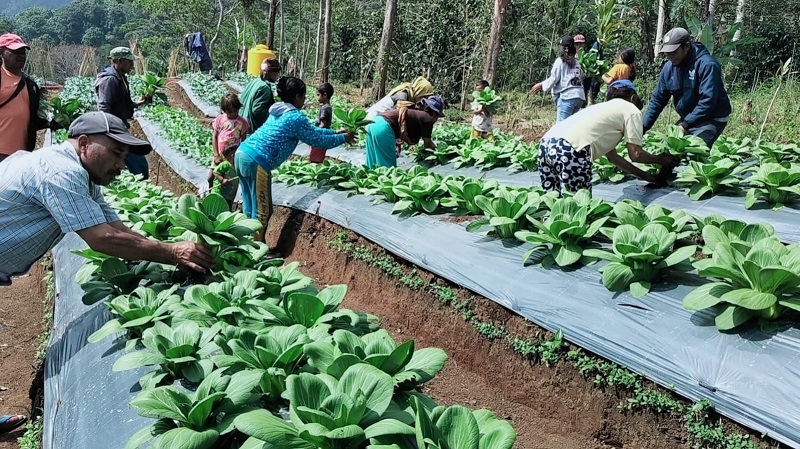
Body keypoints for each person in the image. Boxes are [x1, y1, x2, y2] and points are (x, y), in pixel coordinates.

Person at [0, 111, 214, 283]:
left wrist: (167, 252)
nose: (121, 166)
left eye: (124, 157)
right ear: (84, 144)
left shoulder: (84, 176)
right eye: (115, 153)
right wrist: (172, 252)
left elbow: (115, 229)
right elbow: (102, 238)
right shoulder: (62, 171)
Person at [236, 77, 354, 242]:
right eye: (304, 95)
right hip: (257, 161)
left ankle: (244, 243)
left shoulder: (279, 110)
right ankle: (255, 248)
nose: (305, 99)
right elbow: (317, 140)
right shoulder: (295, 117)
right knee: (263, 210)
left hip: (242, 154)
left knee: (249, 205)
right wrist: (344, 139)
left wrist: (335, 132)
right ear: (297, 96)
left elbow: (312, 131)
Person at [538, 80, 679, 195]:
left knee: (552, 201)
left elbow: (614, 158)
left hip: (546, 144)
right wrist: (661, 160)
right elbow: (636, 154)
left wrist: (648, 177)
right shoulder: (631, 110)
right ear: (633, 97)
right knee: (577, 207)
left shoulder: (601, 109)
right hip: (571, 150)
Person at [643, 27, 731, 147]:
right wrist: (643, 127)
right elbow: (657, 100)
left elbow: (708, 101)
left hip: (712, 118)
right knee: (667, 151)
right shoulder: (668, 69)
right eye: (667, 52)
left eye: (673, 51)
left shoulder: (707, 65)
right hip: (688, 118)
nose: (670, 56)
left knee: (691, 152)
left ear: (687, 46)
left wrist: (685, 125)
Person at [95, 47, 150, 177]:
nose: (132, 64)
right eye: (129, 61)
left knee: (137, 162)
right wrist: (108, 133)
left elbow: (121, 102)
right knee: (137, 162)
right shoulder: (109, 79)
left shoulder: (120, 77)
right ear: (120, 61)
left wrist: (138, 103)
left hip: (120, 127)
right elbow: (104, 107)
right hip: (114, 130)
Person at [0, 33, 50, 163]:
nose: (21, 55)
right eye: (15, 51)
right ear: (2, 53)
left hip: (21, 154)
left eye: (23, 52)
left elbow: (31, 119)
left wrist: (51, 124)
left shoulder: (30, 84)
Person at [365, 95, 446, 169]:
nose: (436, 120)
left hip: (372, 123)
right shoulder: (428, 119)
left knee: (371, 163)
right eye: (438, 116)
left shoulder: (418, 114)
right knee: (387, 169)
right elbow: (427, 144)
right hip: (383, 127)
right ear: (435, 113)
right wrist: (440, 153)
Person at [531, 36, 585, 122]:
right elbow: (582, 76)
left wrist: (541, 85)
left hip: (568, 97)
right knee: (571, 125)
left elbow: (554, 78)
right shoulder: (577, 62)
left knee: (561, 126)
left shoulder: (560, 61)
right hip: (579, 96)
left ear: (564, 48)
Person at [209, 93, 249, 188]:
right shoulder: (220, 119)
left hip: (232, 157)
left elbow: (243, 142)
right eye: (230, 112)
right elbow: (214, 137)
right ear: (224, 110)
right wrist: (216, 154)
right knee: (210, 177)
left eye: (236, 111)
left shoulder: (242, 123)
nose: (233, 114)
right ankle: (209, 197)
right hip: (220, 155)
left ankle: (226, 201)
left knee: (227, 181)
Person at [239, 58, 281, 135]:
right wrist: (274, 119)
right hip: (251, 130)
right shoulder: (264, 87)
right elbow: (257, 110)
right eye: (276, 73)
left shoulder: (255, 81)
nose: (277, 76)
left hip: (242, 124)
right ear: (270, 73)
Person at [366, 76, 434, 119]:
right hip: (371, 120)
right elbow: (399, 118)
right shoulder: (402, 96)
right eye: (424, 96)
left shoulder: (409, 96)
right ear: (419, 91)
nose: (424, 100)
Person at [309, 82, 334, 163]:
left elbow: (323, 124)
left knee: (315, 159)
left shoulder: (324, 108)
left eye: (318, 95)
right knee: (320, 157)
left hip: (320, 136)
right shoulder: (329, 107)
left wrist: (314, 132)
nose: (317, 97)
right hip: (325, 136)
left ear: (325, 95)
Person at [211, 143, 239, 210]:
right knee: (217, 207)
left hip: (230, 194)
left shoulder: (237, 167)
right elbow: (215, 172)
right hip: (220, 192)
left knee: (227, 208)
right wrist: (222, 179)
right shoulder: (226, 164)